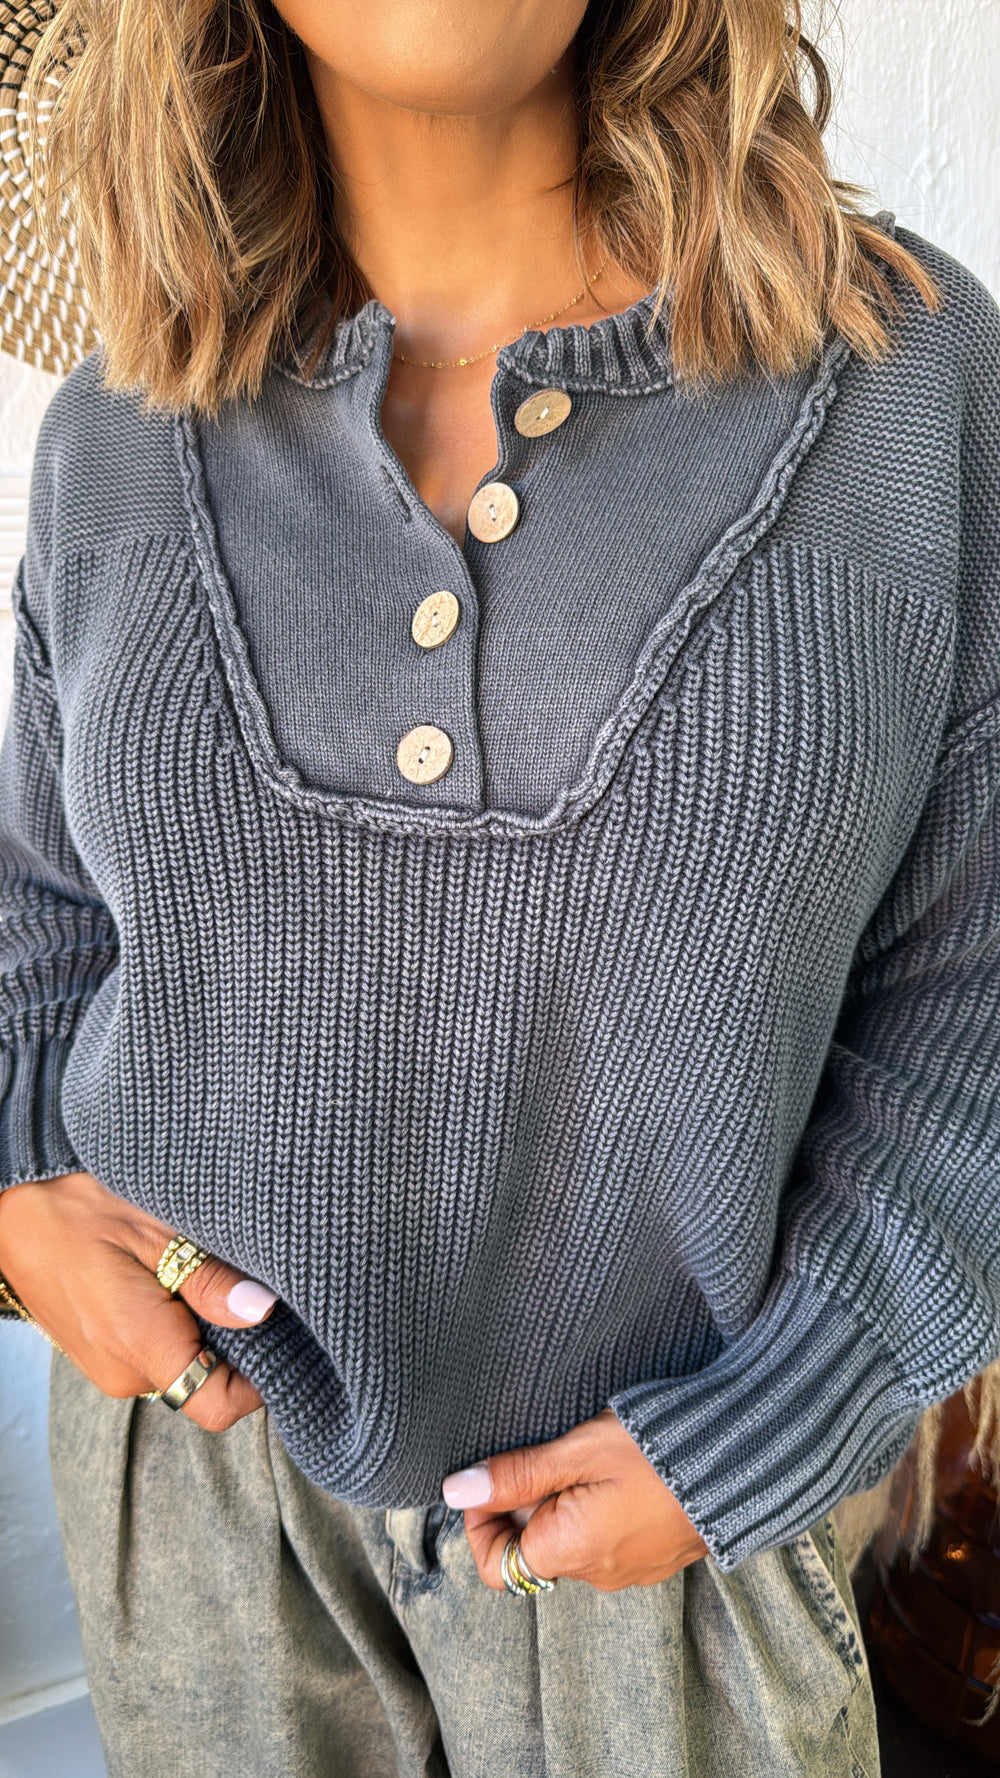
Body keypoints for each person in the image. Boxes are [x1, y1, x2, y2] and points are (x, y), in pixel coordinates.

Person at [0, 0, 997, 1771]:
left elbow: (973, 994)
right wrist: (16, 1193)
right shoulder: (120, 426)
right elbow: (40, 909)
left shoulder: (908, 388)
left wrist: (794, 1404)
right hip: (204, 1518)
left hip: (679, 1540)